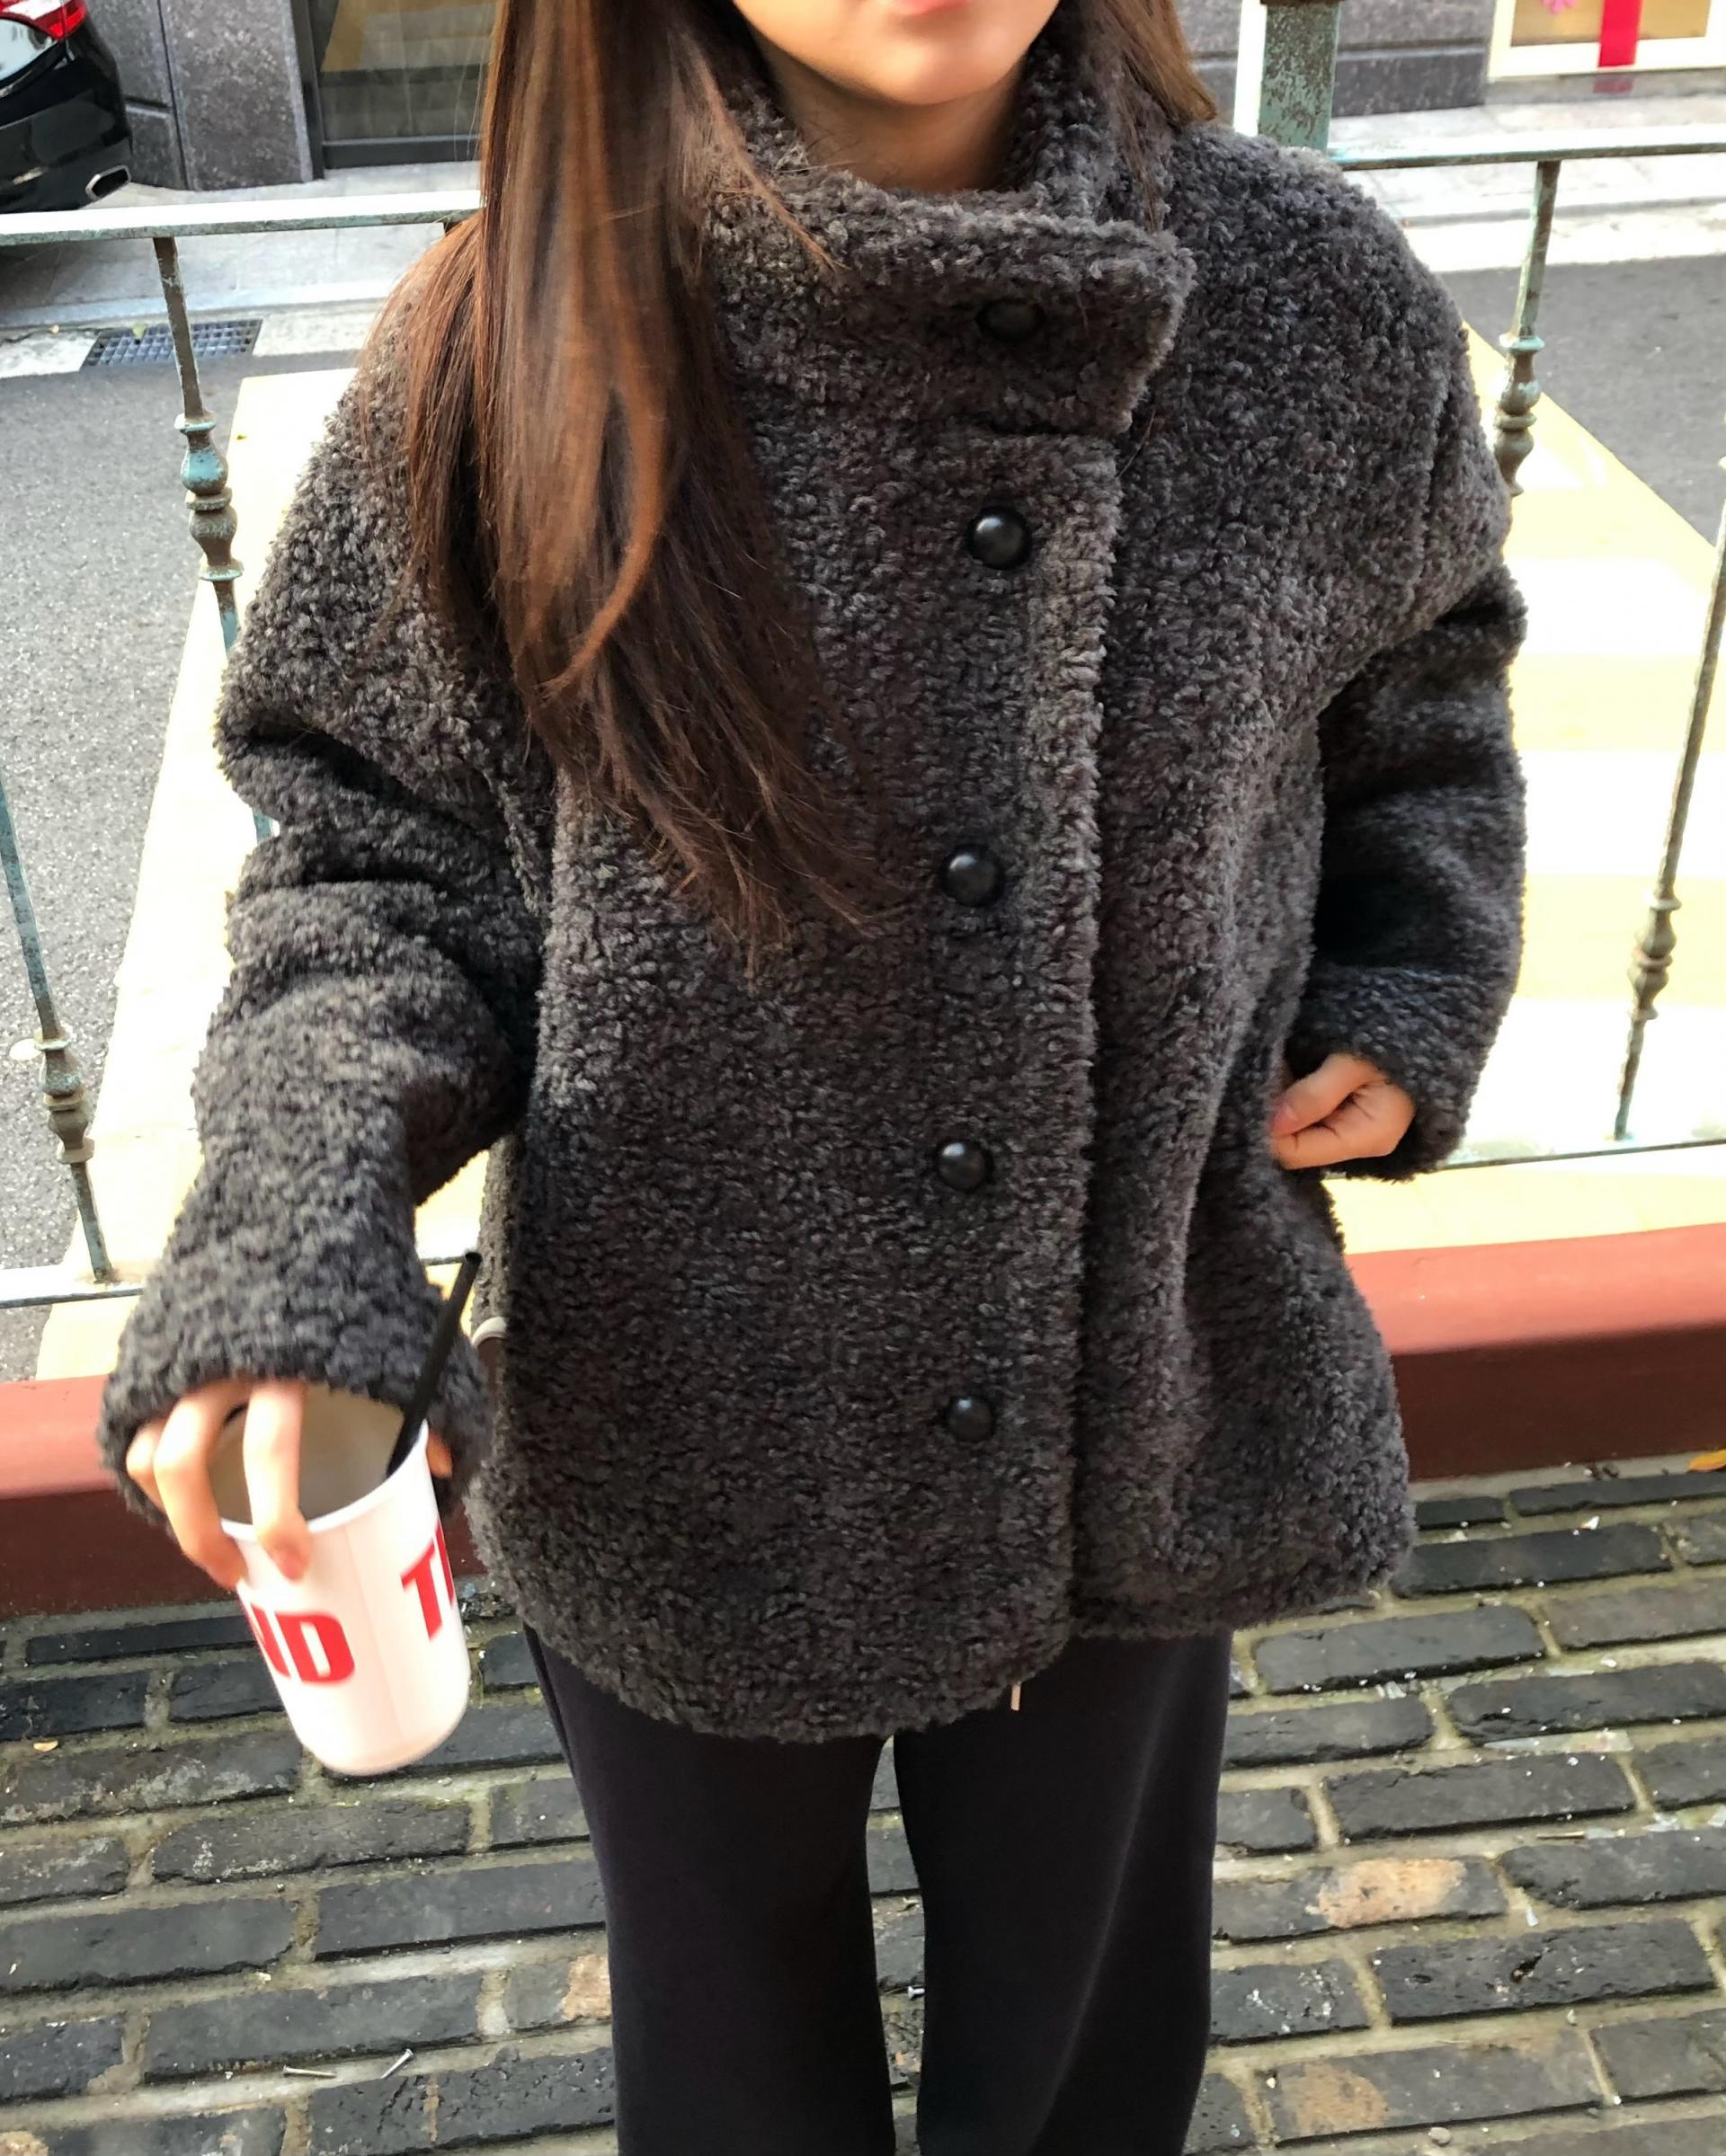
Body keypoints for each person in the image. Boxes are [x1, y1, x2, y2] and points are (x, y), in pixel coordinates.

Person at [97, 1, 1528, 2150]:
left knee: (1080, 2044)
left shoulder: (1307, 305)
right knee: (732, 2056)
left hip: (1130, 1386)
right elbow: (379, 864)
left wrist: (1404, 988)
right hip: (683, 1428)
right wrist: (293, 1241)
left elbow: (1425, 689)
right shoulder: (509, 340)